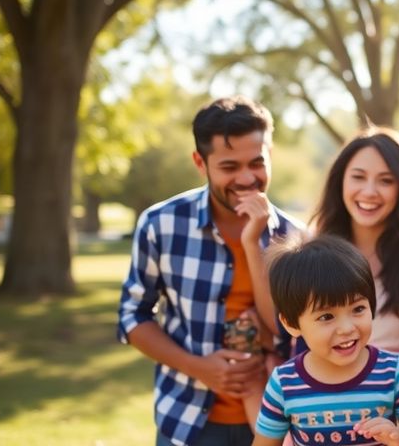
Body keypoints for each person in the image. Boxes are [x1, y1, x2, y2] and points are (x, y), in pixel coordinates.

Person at [117, 96, 304, 446]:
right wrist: (198, 366)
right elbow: (131, 317)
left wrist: (254, 245)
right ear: (200, 163)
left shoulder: (295, 237)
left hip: (275, 424)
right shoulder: (161, 224)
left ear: (270, 155)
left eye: (256, 162)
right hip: (187, 421)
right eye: (229, 167)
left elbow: (286, 332)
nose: (247, 178)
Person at [253, 235, 399, 446]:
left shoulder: (393, 372)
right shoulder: (284, 383)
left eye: (358, 309)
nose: (347, 328)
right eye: (326, 316)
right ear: (291, 324)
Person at [311, 127, 399, 368]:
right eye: (358, 177)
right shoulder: (314, 250)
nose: (369, 192)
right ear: (340, 181)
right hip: (334, 398)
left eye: (386, 181)